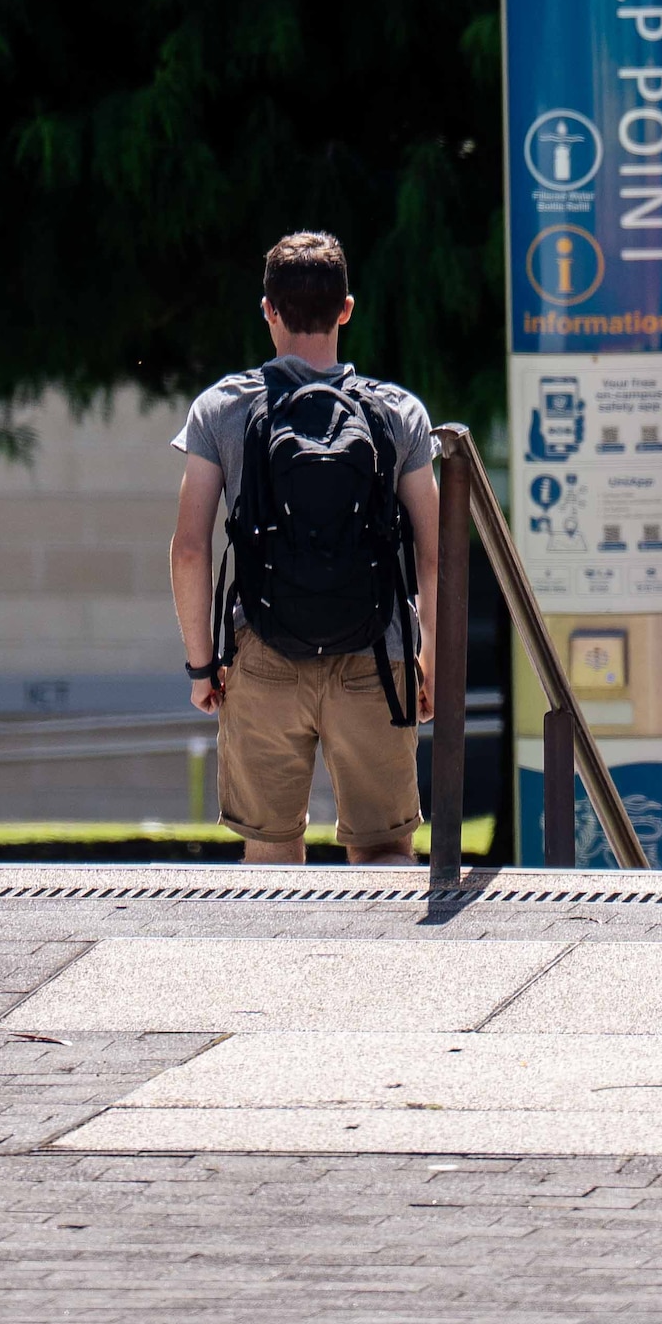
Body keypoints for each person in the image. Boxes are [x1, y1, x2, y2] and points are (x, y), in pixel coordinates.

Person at [171, 233, 444, 864]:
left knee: (270, 864)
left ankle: (281, 967)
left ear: (268, 309)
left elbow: (190, 549)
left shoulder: (224, 408)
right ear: (346, 309)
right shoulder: (398, 412)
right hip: (378, 656)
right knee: (385, 856)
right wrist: (430, 659)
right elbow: (434, 555)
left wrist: (201, 666)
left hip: (262, 653)